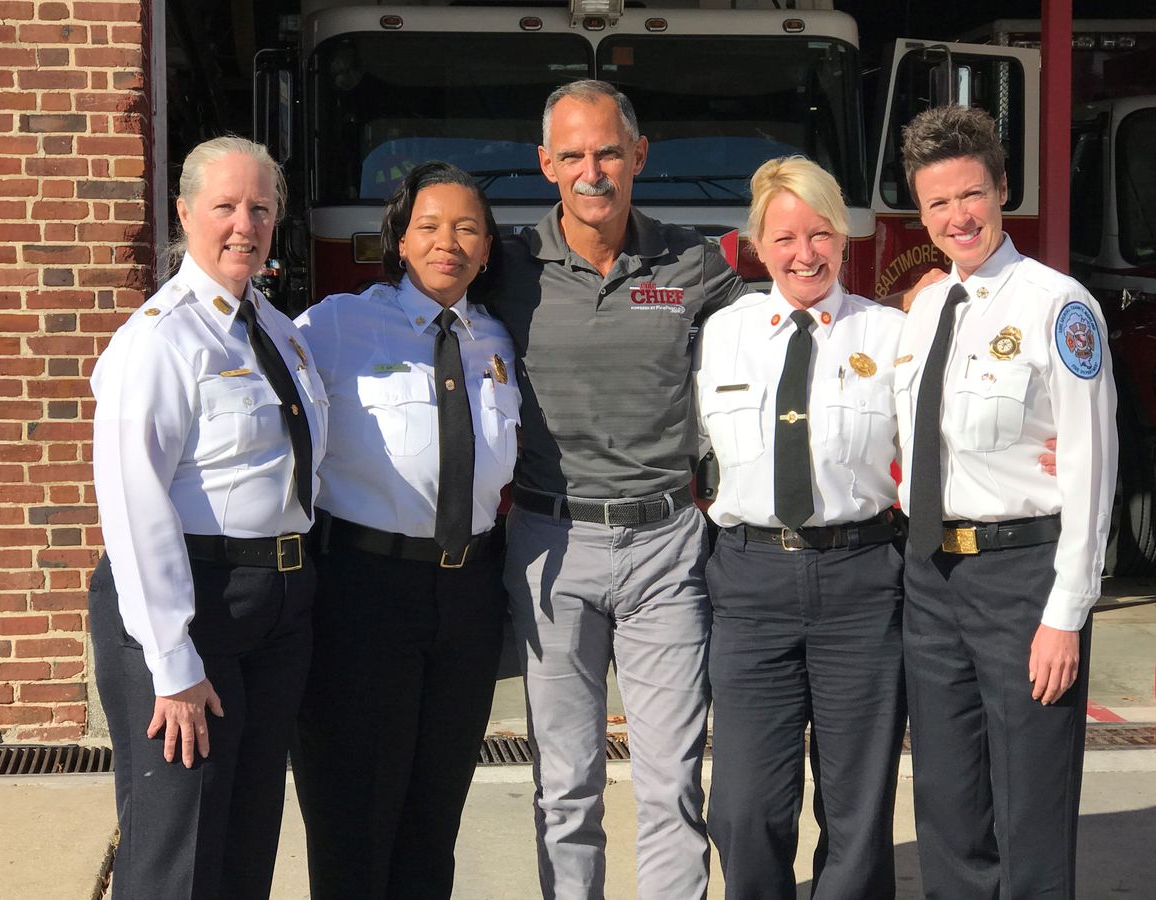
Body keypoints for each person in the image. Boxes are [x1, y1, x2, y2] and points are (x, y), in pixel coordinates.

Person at [473, 79, 748, 899]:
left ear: (639, 156)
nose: (593, 171)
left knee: (671, 784)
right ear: (545, 164)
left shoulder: (693, 263)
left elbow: (773, 342)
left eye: (608, 152)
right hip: (551, 551)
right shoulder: (507, 267)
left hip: (667, 548)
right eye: (574, 155)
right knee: (566, 787)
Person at [88, 136, 327, 899]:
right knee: (178, 854)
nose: (243, 225)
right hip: (190, 607)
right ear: (185, 211)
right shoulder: (158, 341)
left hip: (274, 608)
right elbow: (133, 503)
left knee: (246, 840)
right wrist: (172, 661)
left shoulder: (278, 333)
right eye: (224, 206)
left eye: (260, 208)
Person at [895, 105, 1117, 899]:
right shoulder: (921, 311)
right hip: (931, 580)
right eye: (938, 204)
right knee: (947, 806)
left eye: (971, 195)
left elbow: (1092, 463)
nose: (958, 217)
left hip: (1023, 580)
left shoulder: (1059, 307)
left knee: (1031, 807)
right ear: (921, 213)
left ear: (1002, 189)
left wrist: (1067, 611)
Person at [290, 161, 519, 899]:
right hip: (364, 592)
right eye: (428, 226)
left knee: (434, 811)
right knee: (355, 810)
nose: (446, 243)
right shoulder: (334, 326)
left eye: (466, 229)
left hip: (467, 597)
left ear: (487, 249)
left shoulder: (499, 340)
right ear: (399, 239)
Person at [697, 156, 908, 899]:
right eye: (786, 238)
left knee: (857, 806)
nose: (806, 253)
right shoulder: (723, 334)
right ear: (757, 244)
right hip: (751, 582)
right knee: (745, 806)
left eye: (821, 233)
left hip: (861, 579)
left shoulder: (891, 334)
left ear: (844, 238)